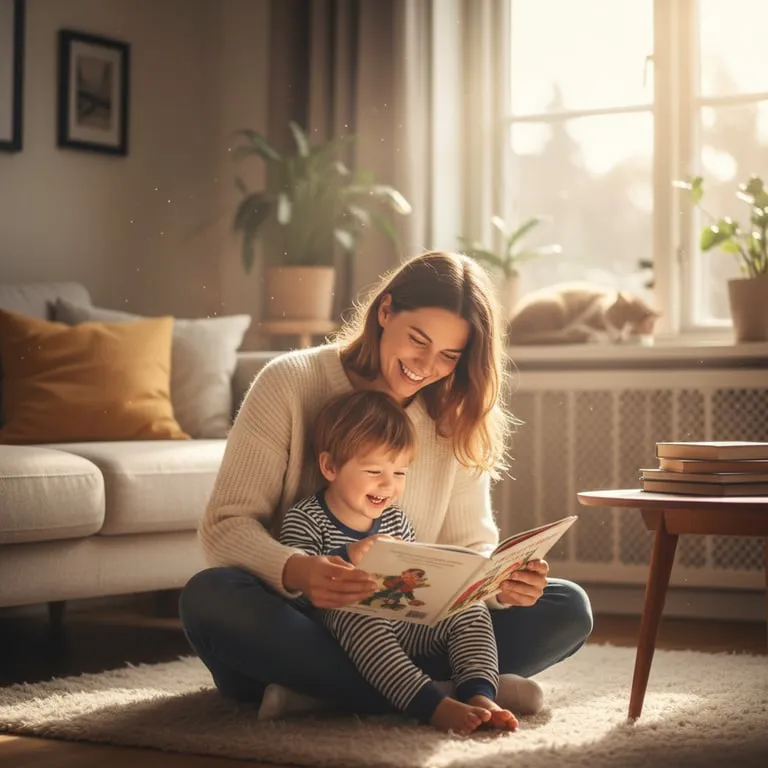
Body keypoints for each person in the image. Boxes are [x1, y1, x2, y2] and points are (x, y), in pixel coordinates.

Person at [179, 250, 593, 719]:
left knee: (567, 607)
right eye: (418, 340)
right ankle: (441, 691)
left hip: (411, 628)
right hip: (305, 622)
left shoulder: (452, 417)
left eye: (448, 356)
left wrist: (502, 586)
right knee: (211, 597)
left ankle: (327, 694)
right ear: (385, 311)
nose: (425, 365)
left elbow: (469, 549)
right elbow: (226, 528)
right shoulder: (288, 383)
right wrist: (299, 571)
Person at [279, 389, 517, 734]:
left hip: (404, 623)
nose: (388, 485)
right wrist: (348, 557)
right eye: (374, 470)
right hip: (344, 636)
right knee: (355, 615)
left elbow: (410, 580)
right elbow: (296, 596)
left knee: (471, 608)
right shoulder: (305, 518)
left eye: (400, 473)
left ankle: (477, 693)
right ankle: (431, 704)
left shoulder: (396, 520)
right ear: (329, 466)